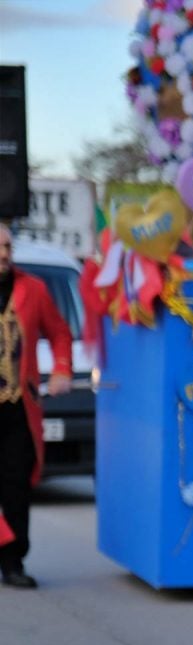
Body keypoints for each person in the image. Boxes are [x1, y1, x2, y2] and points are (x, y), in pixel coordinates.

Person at [0, 224, 74, 590]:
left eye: (7, 246)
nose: (3, 253)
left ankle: (13, 561)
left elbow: (59, 332)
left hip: (17, 407)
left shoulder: (33, 288)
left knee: (15, 485)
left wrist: (61, 369)